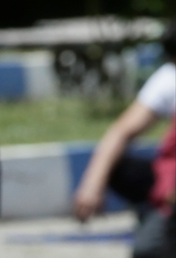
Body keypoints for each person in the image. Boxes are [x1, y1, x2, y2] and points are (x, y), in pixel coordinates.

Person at [73, 24, 176, 223]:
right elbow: (121, 132)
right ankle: (157, 214)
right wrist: (92, 186)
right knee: (120, 168)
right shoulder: (169, 78)